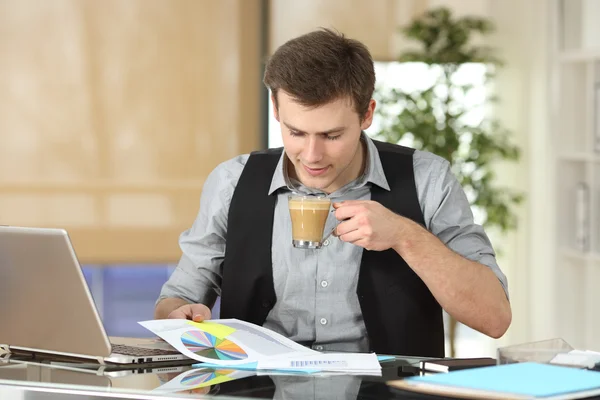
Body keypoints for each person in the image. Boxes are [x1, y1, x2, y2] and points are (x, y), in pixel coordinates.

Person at [155, 28, 511, 357]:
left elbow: (494, 318)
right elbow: (176, 301)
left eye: (332, 136)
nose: (311, 156)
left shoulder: (428, 179)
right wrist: (180, 315)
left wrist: (405, 236)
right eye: (295, 133)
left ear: (367, 113)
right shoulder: (231, 182)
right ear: (276, 110)